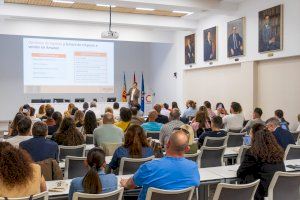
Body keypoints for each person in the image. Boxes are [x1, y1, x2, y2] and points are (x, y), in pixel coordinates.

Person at [120, 130, 200, 200]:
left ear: (167, 144)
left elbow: (131, 185)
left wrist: (125, 183)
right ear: (187, 148)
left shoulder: (149, 167)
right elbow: (196, 185)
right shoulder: (193, 167)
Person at [237, 125, 285, 200]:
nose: (249, 136)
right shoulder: (278, 151)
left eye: (250, 134)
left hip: (260, 192)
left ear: (254, 137)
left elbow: (240, 172)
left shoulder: (252, 152)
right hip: (278, 189)